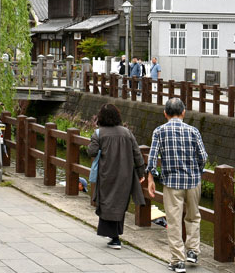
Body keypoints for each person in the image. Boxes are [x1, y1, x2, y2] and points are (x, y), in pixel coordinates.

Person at [146, 98, 208, 271]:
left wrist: (152, 179)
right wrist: (197, 171)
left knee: (173, 221)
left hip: (172, 182)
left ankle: (178, 260)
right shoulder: (193, 131)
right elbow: (203, 157)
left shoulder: (159, 131)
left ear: (165, 114)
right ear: (183, 113)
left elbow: (152, 159)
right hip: (193, 181)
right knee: (193, 216)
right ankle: (193, 252)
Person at [86, 103, 145, 250]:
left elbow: (91, 152)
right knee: (119, 203)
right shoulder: (127, 133)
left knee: (107, 202)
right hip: (125, 174)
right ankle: (115, 236)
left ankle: (115, 238)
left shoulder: (99, 133)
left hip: (107, 174)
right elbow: (137, 154)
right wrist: (140, 173)